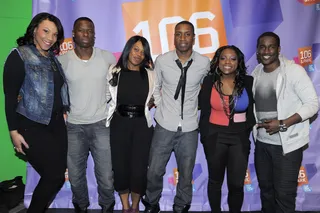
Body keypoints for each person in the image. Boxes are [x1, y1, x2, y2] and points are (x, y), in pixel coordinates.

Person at [3, 12, 69, 213]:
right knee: (53, 175)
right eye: (46, 31)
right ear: (34, 30)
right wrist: (13, 132)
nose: (50, 37)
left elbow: (57, 89)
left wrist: (64, 110)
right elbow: (10, 96)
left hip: (57, 126)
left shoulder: (52, 58)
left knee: (57, 176)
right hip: (31, 125)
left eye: (55, 34)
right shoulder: (19, 55)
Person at [142, 20, 210, 213]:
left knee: (186, 172)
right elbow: (155, 86)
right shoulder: (162, 60)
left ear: (193, 38)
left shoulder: (204, 63)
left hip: (189, 127)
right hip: (164, 124)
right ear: (174, 37)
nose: (183, 38)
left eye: (187, 34)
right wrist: (158, 103)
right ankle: (152, 202)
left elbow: (208, 89)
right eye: (178, 34)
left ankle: (181, 204)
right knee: (154, 170)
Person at [252, 32, 319, 213]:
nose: (266, 51)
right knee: (266, 193)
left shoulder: (293, 70)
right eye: (262, 47)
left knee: (284, 196)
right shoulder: (256, 72)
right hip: (262, 145)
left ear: (279, 49)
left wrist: (283, 123)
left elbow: (313, 104)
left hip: (287, 147)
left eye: (271, 46)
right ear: (257, 50)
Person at [58, 17, 116, 213]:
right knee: (75, 175)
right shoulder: (62, 61)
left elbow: (117, 87)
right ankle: (81, 206)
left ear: (94, 34)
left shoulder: (107, 57)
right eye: (82, 30)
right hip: (74, 126)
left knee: (106, 175)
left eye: (90, 30)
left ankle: (107, 206)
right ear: (73, 34)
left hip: (101, 125)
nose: (86, 34)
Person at [199, 45, 255, 213]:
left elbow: (252, 109)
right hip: (215, 137)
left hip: (239, 138)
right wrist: (206, 135)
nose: (227, 62)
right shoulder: (209, 81)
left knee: (236, 184)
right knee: (215, 181)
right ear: (217, 61)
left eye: (232, 58)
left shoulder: (248, 81)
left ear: (238, 62)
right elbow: (203, 109)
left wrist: (246, 130)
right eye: (223, 58)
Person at [106, 35, 155, 213]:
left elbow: (156, 97)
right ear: (128, 49)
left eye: (143, 52)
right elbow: (106, 95)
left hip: (142, 127)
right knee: (120, 166)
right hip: (119, 125)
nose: (138, 54)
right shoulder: (114, 71)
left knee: (139, 168)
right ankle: (125, 206)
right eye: (136, 49)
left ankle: (135, 206)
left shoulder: (150, 74)